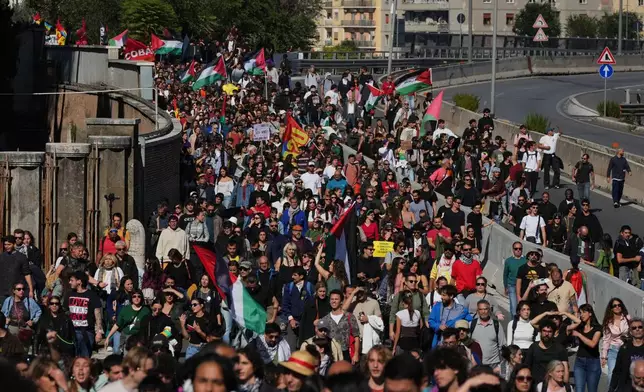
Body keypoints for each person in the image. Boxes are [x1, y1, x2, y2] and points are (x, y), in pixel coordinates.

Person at [67, 271, 103, 357]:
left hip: (86, 332)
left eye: (72, 280)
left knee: (85, 359)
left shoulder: (92, 295)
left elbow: (97, 314)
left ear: (79, 281)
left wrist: (99, 332)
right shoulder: (69, 294)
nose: (69, 282)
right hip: (72, 332)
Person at [318, 290, 360, 364]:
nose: (334, 301)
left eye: (336, 299)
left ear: (341, 301)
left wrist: (356, 354)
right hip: (331, 355)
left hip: (346, 354)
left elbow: (356, 336)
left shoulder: (349, 317)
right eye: (332, 299)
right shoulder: (325, 319)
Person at [105, 290, 151, 354]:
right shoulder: (125, 309)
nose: (136, 298)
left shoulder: (146, 310)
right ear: (131, 298)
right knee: (127, 358)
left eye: (139, 296)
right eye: (134, 296)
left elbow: (149, 325)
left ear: (141, 298)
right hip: (127, 338)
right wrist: (108, 337)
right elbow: (117, 324)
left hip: (140, 339)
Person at [525, 320, 569, 385]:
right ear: (540, 332)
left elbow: (565, 368)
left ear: (554, 333)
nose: (546, 334)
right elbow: (527, 367)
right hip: (535, 385)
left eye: (549, 332)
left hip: (553, 386)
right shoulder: (533, 347)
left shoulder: (560, 348)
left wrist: (565, 386)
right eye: (544, 331)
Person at [1, 281, 41, 351]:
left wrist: (33, 321)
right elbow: (2, 313)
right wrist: (5, 320)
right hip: (11, 328)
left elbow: (39, 311)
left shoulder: (29, 301)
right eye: (19, 289)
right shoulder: (9, 300)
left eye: (23, 289)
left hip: (24, 329)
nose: (21, 291)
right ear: (14, 291)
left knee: (24, 351)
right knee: (11, 350)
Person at [571, 304, 602, 392]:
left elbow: (592, 344)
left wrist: (579, 335)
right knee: (579, 389)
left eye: (584, 312)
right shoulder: (580, 326)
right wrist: (573, 313)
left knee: (592, 390)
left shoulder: (598, 328)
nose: (582, 315)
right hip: (580, 362)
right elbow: (571, 325)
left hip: (593, 362)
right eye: (581, 313)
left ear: (590, 313)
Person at [610, 318, 644, 392]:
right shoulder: (624, 348)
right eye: (634, 328)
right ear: (631, 332)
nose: (637, 329)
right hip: (626, 387)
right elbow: (617, 371)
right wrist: (612, 388)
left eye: (640, 327)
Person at [602, 297, 630, 386]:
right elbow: (606, 340)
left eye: (619, 305)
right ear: (611, 308)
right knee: (611, 374)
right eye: (614, 306)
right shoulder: (608, 322)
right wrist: (604, 357)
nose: (617, 307)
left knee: (626, 374)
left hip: (626, 349)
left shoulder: (627, 318)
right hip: (613, 350)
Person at [470, 299, 506, 367]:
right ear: (477, 311)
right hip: (476, 364)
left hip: (494, 364)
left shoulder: (496, 324)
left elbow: (503, 345)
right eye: (481, 309)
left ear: (489, 310)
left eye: (485, 309)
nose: (483, 311)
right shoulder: (472, 324)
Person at [0, 235, 33, 303]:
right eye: (5, 245)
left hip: (17, 291)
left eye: (9, 244)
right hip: (3, 290)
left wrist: (31, 290)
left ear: (14, 244)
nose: (7, 246)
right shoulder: (2, 257)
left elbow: (27, 274)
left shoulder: (21, 257)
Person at [504, 242, 527, 318]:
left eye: (520, 249)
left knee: (523, 307)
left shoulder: (526, 260)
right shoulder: (508, 261)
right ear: (513, 250)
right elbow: (505, 274)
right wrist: (506, 286)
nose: (518, 250)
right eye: (516, 249)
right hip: (512, 285)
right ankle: (513, 325)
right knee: (514, 307)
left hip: (523, 287)